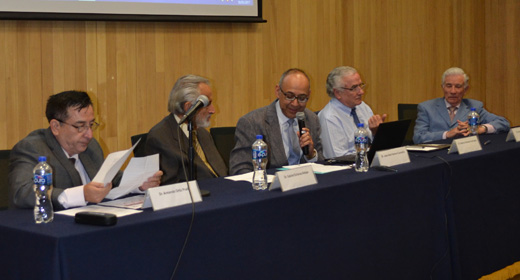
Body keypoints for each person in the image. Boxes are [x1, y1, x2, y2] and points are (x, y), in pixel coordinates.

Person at [8, 90, 162, 210]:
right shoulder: (33, 148)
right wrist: (81, 194)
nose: (89, 134)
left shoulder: (91, 146)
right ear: (56, 127)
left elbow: (112, 178)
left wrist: (140, 184)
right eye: (80, 126)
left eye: (91, 124)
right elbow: (22, 192)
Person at [229, 68, 324, 175]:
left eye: (302, 98)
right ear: (278, 91)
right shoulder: (252, 122)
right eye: (289, 96)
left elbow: (321, 162)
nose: (295, 104)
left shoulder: (311, 118)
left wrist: (311, 155)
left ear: (309, 95)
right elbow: (239, 169)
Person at [144, 75, 228, 185]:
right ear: (189, 108)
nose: (213, 110)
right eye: (207, 104)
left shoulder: (202, 133)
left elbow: (221, 173)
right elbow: (170, 187)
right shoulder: (160, 138)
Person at [413, 67, 510, 144]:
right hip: (436, 157)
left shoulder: (474, 106)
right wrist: (447, 134)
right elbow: (418, 137)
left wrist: (481, 128)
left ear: (466, 89)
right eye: (449, 86)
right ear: (442, 87)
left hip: (465, 155)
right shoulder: (426, 107)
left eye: (458, 87)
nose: (453, 91)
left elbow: (503, 123)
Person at [318, 66, 387, 158]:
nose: (361, 92)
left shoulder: (362, 107)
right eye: (354, 88)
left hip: (368, 162)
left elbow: (374, 145)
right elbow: (338, 158)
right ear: (338, 93)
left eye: (360, 85)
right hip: (349, 168)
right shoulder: (330, 117)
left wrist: (376, 133)